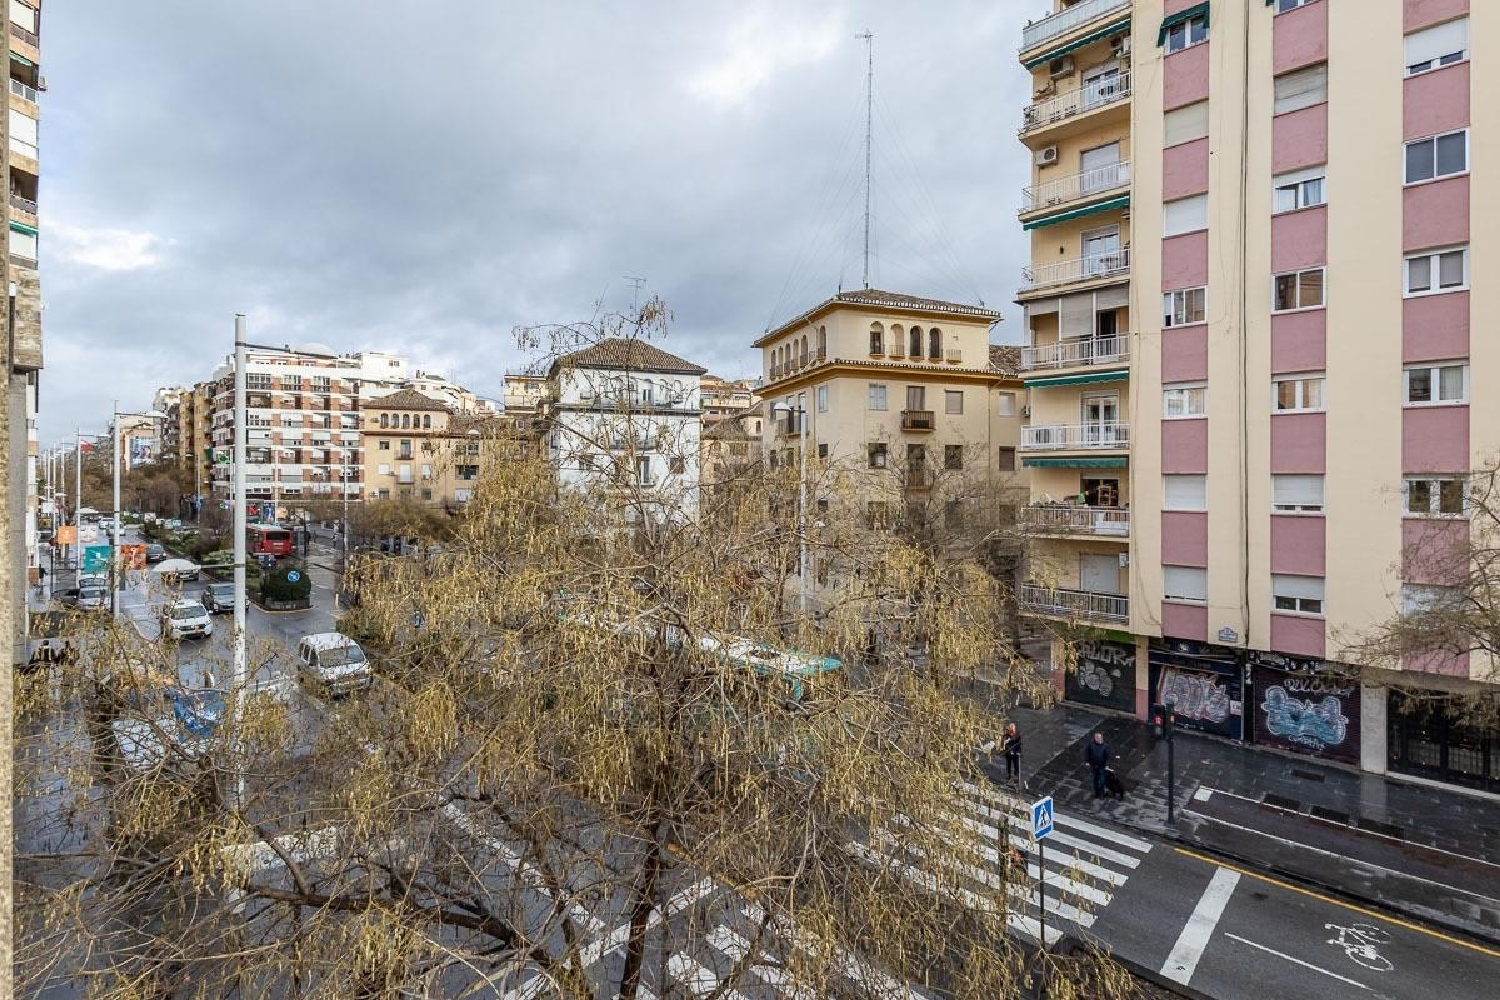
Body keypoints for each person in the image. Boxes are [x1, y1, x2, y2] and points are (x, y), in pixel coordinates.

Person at [1084, 731, 1112, 798]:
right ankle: (1097, 793)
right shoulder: (1091, 744)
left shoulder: (1105, 746)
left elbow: (1107, 756)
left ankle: (1102, 793)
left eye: (1099, 737)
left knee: (1102, 780)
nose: (1098, 739)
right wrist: (1087, 761)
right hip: (1093, 765)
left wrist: (1107, 765)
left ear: (1101, 738)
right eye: (1096, 737)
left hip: (1102, 765)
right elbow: (1087, 752)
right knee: (1095, 779)